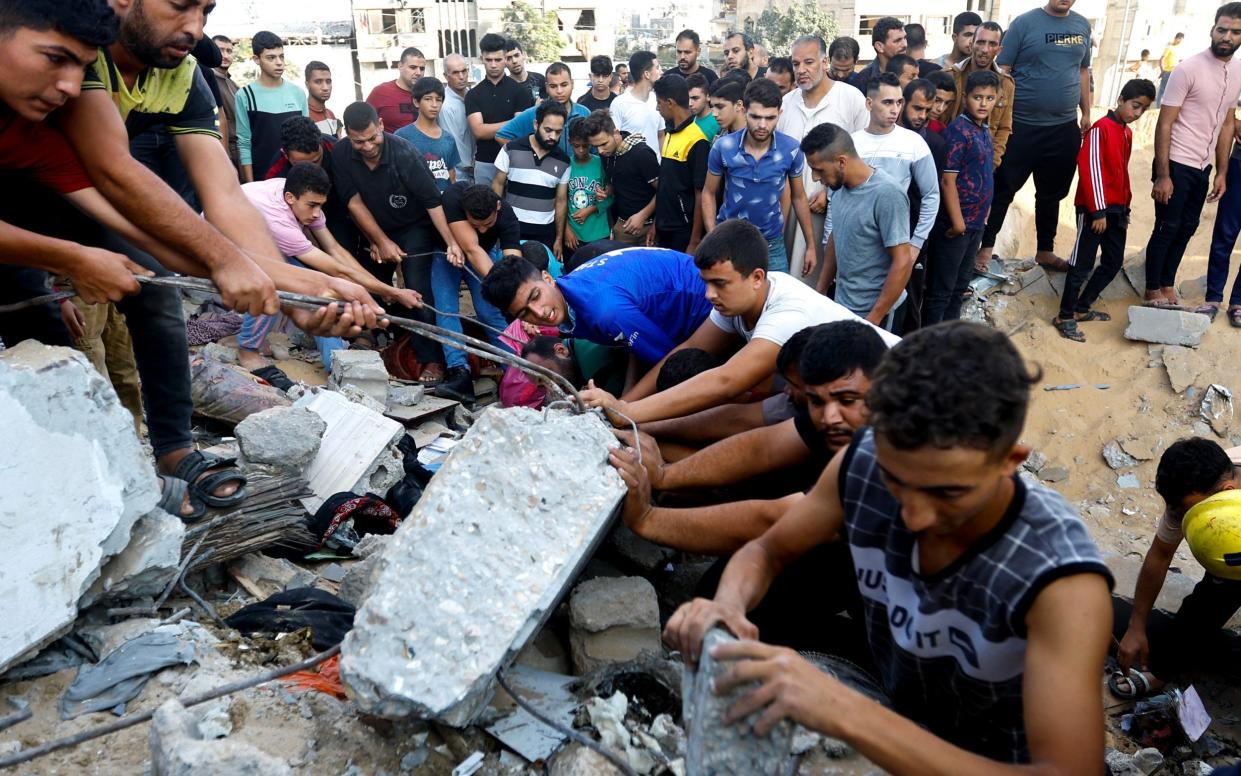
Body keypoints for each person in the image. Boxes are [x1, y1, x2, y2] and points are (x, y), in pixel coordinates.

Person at [664, 321, 1113, 773]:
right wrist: (728, 605)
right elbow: (766, 552)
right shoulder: (860, 462)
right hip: (901, 715)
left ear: (1010, 461)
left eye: (948, 493)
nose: (914, 518)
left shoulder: (1059, 579)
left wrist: (850, 713)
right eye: (896, 481)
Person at [609, 320, 888, 555]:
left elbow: (774, 521)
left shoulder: (890, 450)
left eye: (848, 400)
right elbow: (759, 447)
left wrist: (648, 519)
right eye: (816, 401)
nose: (830, 418)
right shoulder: (830, 412)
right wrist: (662, 474)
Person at [579, 220, 899, 425]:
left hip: (896, 394)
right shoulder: (740, 301)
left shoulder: (787, 312)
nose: (708, 295)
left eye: (719, 284)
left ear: (757, 277)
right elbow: (688, 348)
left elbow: (725, 381)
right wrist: (622, 405)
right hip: (832, 401)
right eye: (706, 283)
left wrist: (627, 414)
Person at [235, 163, 420, 375]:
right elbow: (338, 271)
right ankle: (247, 349)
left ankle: (336, 361)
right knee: (272, 284)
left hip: (259, 239)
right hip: (223, 243)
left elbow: (336, 251)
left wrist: (385, 289)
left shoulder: (299, 196)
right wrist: (392, 291)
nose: (316, 213)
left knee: (321, 292)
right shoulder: (280, 221)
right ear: (290, 198)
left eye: (320, 206)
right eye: (312, 205)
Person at [333, 101, 462, 384]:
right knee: (367, 284)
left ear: (380, 125)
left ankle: (432, 358)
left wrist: (451, 242)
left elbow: (432, 203)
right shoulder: (341, 153)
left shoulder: (404, 152)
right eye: (358, 142)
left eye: (372, 138)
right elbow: (353, 203)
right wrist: (379, 240)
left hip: (414, 226)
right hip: (373, 228)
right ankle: (387, 336)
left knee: (416, 291)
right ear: (347, 136)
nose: (367, 146)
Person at [1113, 438, 1241, 700]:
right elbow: (1159, 557)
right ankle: (1162, 670)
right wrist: (1136, 625)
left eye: (1190, 511)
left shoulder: (1206, 495)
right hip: (1232, 557)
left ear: (1228, 490)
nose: (1183, 517)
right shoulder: (1190, 498)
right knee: (1206, 603)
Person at [975, 0, 1093, 275]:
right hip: (1022, 126)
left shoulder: (1082, 25)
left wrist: (1086, 111)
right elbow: (1002, 69)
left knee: (1052, 194)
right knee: (1003, 189)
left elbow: (1083, 70)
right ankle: (985, 249)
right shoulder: (1024, 24)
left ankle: (1045, 251)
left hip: (1064, 127)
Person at [1146, 5, 1241, 311]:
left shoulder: (1238, 72)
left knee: (1187, 226)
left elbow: (1227, 123)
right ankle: (1151, 289)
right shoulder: (1188, 68)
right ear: (1212, 29)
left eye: (1235, 32)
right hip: (1176, 161)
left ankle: (1167, 283)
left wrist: (1222, 171)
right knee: (1167, 226)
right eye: (1222, 29)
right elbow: (1165, 122)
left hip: (1203, 166)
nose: (1227, 37)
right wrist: (1163, 174)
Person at [481, 247, 713, 367]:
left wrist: (625, 405)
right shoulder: (572, 292)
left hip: (709, 303)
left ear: (548, 278)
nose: (539, 312)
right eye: (524, 313)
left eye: (536, 295)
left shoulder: (602, 310)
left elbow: (670, 361)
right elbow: (635, 347)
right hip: (683, 304)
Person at [1053, 79, 1155, 342]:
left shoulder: (1126, 133)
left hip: (1117, 209)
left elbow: (1121, 173)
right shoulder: (1101, 129)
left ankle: (1082, 308)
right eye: (1134, 105)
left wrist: (1125, 206)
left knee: (1112, 261)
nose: (1137, 113)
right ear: (1121, 99)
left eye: (1142, 109)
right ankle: (1064, 316)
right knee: (1082, 261)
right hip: (1094, 208)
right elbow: (1091, 169)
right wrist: (1097, 211)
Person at [779, 35, 870, 281]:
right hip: (788, 210)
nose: (801, 70)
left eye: (809, 62)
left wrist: (831, 194)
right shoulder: (786, 103)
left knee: (819, 279)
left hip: (832, 209)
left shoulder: (851, 99)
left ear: (825, 62)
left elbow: (864, 155)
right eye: (796, 64)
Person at [703, 79, 815, 275]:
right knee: (729, 302)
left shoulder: (791, 149)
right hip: (728, 241)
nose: (762, 125)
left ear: (779, 113)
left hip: (771, 245)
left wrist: (811, 246)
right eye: (755, 117)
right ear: (744, 111)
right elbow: (708, 193)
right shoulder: (723, 147)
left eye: (770, 118)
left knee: (776, 301)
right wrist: (713, 235)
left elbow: (799, 197)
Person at [807, 124, 913, 330]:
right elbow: (837, 237)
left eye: (819, 170)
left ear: (841, 162)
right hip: (844, 307)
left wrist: (874, 319)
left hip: (878, 316)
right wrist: (820, 293)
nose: (815, 177)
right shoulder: (838, 189)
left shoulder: (887, 194)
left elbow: (902, 261)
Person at [924, 71, 1000, 325]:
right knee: (941, 290)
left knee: (959, 287)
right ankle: (931, 346)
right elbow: (948, 180)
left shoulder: (984, 129)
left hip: (976, 224)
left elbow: (984, 172)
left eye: (989, 98)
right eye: (978, 97)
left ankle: (950, 342)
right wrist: (957, 223)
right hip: (956, 226)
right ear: (966, 97)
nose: (983, 103)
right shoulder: (958, 131)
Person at [435, 183, 523, 402]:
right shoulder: (454, 197)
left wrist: (512, 295)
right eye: (476, 225)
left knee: (490, 312)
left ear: (498, 207)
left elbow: (512, 262)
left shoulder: (507, 214)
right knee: (447, 311)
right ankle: (459, 371)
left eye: (489, 224)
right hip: (444, 253)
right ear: (466, 213)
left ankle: (517, 367)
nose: (483, 230)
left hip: (483, 254)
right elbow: (471, 248)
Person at [852, 73, 940, 262]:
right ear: (869, 104)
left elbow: (932, 195)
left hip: (896, 242)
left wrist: (916, 243)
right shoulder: (852, 143)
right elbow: (837, 199)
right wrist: (829, 242)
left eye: (899, 102)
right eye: (887, 102)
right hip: (856, 244)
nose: (895, 109)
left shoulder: (914, 143)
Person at [492, 100, 571, 255]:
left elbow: (561, 201)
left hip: (545, 234)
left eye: (558, 132)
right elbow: (497, 187)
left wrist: (558, 239)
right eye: (548, 130)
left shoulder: (564, 161)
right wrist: (497, 226)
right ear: (536, 124)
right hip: (512, 229)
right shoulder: (510, 149)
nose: (553, 136)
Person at [900, 78, 947, 332]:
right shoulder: (886, 138)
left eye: (927, 110)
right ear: (903, 103)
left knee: (911, 300)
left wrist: (919, 241)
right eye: (917, 108)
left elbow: (932, 196)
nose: (922, 116)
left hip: (914, 236)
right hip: (883, 233)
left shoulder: (936, 144)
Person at [236, 31, 308, 182]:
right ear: (256, 59)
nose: (279, 62)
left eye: (281, 56)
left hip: (296, 178)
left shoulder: (298, 93)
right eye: (271, 57)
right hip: (263, 178)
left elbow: (307, 139)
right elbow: (244, 142)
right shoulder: (245, 95)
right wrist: (251, 186)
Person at [942, 21, 1014, 169]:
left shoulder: (1006, 83)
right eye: (980, 42)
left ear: (999, 50)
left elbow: (1004, 127)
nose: (985, 49)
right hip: (949, 157)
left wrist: (992, 162)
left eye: (992, 44)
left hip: (984, 162)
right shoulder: (951, 76)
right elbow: (938, 119)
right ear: (972, 44)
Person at [467, 34, 535, 188]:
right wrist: (515, 122)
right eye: (488, 60)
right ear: (481, 59)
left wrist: (490, 128)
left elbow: (519, 133)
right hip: (484, 162)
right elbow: (478, 131)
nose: (493, 65)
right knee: (483, 209)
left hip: (515, 161)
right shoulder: (473, 94)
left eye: (498, 60)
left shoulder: (520, 91)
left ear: (505, 58)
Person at [583, 111, 659, 246]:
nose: (600, 151)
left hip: (649, 226)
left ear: (616, 133)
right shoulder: (607, 154)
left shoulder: (641, 153)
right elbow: (619, 179)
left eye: (604, 144)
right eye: (595, 147)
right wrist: (606, 191)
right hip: (623, 226)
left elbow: (663, 190)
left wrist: (643, 216)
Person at [653, 75, 710, 253]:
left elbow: (701, 194)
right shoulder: (670, 132)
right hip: (664, 227)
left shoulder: (697, 140)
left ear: (670, 103)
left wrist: (694, 241)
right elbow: (665, 184)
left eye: (659, 103)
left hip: (682, 233)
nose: (657, 108)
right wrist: (656, 224)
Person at [497, 63, 590, 158]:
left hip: (578, 171)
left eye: (564, 85)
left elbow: (593, 149)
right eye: (553, 86)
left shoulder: (584, 113)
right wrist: (528, 159)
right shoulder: (534, 112)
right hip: (547, 171)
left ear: (572, 84)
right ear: (546, 87)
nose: (559, 91)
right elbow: (502, 135)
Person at [395, 78, 461, 193]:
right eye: (428, 99)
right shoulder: (402, 137)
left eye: (438, 100)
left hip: (443, 202)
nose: (434, 105)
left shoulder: (448, 139)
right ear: (416, 102)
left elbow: (451, 177)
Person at [565, 120, 612, 252]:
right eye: (576, 146)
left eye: (585, 146)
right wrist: (566, 230)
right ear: (570, 142)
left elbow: (611, 196)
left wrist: (592, 209)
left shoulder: (600, 163)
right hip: (574, 235)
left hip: (599, 232)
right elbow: (560, 202)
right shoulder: (566, 165)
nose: (581, 150)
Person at [611, 51, 664, 158]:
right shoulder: (619, 103)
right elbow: (614, 140)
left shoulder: (657, 100)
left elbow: (661, 135)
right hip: (631, 171)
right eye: (657, 68)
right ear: (647, 74)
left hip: (656, 169)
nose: (661, 72)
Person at [365, 47, 425, 132]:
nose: (418, 73)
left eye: (422, 68)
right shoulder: (380, 92)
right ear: (400, 66)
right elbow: (364, 123)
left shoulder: (428, 93)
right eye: (413, 67)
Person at [439, 53, 475, 184]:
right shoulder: (445, 104)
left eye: (464, 71)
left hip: (475, 170)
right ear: (445, 76)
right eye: (455, 73)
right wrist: (469, 166)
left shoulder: (472, 96)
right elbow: (452, 141)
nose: (461, 76)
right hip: (460, 174)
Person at [848, 17, 907, 95]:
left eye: (905, 38)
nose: (905, 44)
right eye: (897, 41)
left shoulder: (914, 71)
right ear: (879, 46)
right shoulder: (863, 80)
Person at [211, 35, 241, 174]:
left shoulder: (233, 84)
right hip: (221, 152)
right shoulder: (207, 80)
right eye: (220, 50)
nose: (225, 55)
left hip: (239, 151)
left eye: (229, 51)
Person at [305, 61, 340, 137]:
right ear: (307, 85)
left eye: (328, 81)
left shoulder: (330, 114)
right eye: (318, 82)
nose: (325, 87)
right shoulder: (304, 116)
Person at [686, 73, 719, 142]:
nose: (690, 104)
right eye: (687, 98)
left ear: (708, 97)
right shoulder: (689, 120)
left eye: (695, 98)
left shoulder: (718, 122)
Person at [1159, 32, 1187, 105]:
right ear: (1176, 38)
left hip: (1175, 72)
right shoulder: (1169, 48)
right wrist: (1162, 70)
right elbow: (1161, 59)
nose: (1180, 41)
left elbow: (1178, 60)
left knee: (1170, 91)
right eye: (1179, 39)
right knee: (1162, 90)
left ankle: (1163, 107)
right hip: (1167, 72)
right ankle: (1157, 108)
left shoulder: (1178, 49)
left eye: (1182, 40)